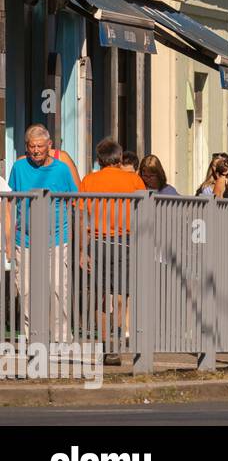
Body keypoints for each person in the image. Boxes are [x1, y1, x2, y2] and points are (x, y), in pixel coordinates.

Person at [7, 125, 80, 341]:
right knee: (27, 290)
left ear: (49, 146)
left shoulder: (61, 169)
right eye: (32, 147)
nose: (36, 150)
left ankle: (60, 338)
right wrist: (9, 241)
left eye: (40, 146)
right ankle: (34, 337)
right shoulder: (19, 168)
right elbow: (10, 204)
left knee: (58, 288)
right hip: (25, 239)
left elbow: (73, 202)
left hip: (58, 238)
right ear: (26, 147)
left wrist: (74, 237)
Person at [78, 138, 145, 364]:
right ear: (119, 159)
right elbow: (143, 214)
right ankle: (115, 342)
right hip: (125, 242)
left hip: (97, 243)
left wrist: (82, 250)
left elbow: (81, 217)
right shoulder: (134, 180)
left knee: (100, 295)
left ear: (99, 160)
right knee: (120, 295)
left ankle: (105, 344)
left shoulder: (88, 180)